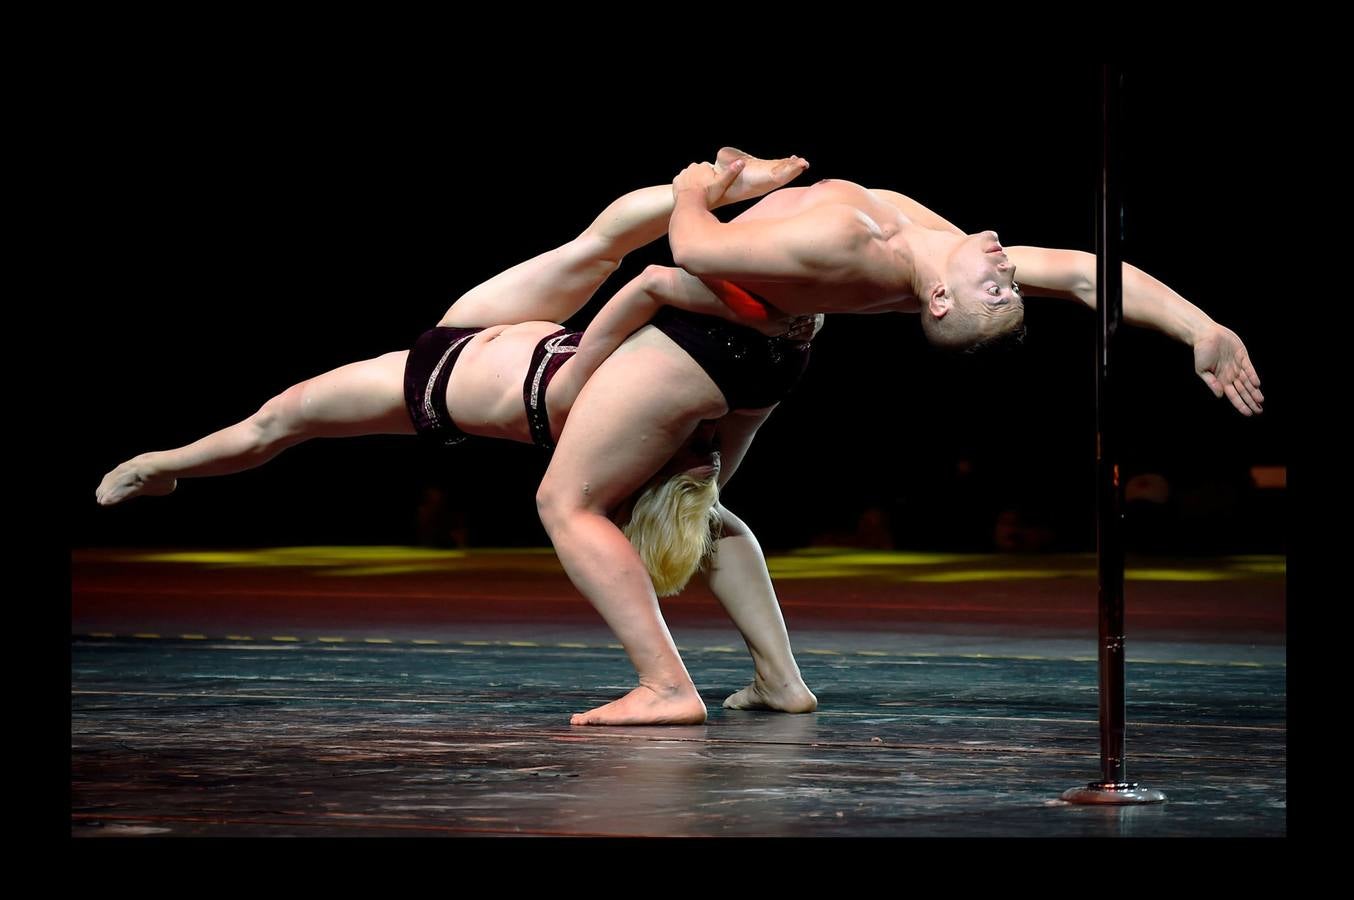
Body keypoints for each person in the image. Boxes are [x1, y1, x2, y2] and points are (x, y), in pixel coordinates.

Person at [97, 148, 822, 721]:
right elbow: (725, 448)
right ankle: (779, 678)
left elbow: (650, 289)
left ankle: (160, 464)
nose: (699, 453)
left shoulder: (614, 425)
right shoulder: (658, 432)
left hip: (448, 372)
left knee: (282, 419)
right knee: (599, 247)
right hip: (501, 341)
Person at [535, 162, 1264, 727]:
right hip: (772, 351)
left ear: (940, 301)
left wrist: (697, 190)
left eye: (998, 290)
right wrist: (1200, 327)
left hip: (710, 339)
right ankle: (779, 681)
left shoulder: (854, 241)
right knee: (704, 505)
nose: (1009, 272)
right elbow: (1082, 273)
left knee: (568, 500)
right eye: (1008, 287)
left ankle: (664, 686)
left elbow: (690, 248)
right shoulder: (941, 248)